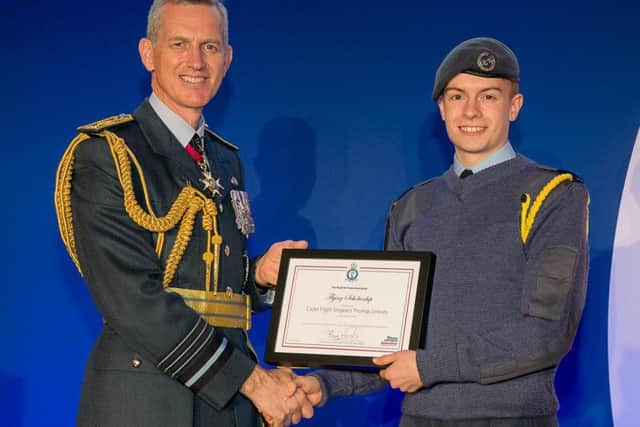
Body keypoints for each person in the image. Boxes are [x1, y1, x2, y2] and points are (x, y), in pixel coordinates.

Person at [295, 37, 590, 427]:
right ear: (441, 108)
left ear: (514, 106)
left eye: (488, 97)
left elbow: (546, 334)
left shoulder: (552, 196)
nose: (470, 111)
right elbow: (387, 338)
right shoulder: (410, 207)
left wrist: (429, 366)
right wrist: (324, 384)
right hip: (420, 418)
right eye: (456, 97)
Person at [54, 1, 312, 426]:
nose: (196, 61)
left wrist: (258, 278)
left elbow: (207, 286)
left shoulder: (225, 161)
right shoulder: (107, 154)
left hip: (226, 401)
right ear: (148, 53)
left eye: (210, 46)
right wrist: (253, 382)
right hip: (147, 398)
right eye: (179, 44)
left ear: (227, 59)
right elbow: (133, 298)